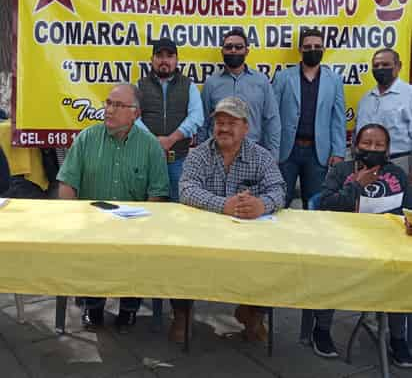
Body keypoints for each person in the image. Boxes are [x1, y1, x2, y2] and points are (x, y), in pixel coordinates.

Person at [57, 84, 169, 332]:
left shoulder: (151, 147)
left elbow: (158, 193)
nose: (109, 110)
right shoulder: (86, 138)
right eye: (108, 103)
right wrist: (72, 220)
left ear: (135, 114)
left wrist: (143, 227)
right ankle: (93, 306)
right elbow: (67, 183)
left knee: (136, 252)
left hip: (134, 226)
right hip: (91, 225)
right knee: (90, 252)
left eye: (118, 105)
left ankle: (129, 308)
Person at [176, 96, 286, 344]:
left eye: (231, 123)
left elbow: (278, 190)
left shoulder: (261, 156)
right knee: (178, 258)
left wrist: (262, 205)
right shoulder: (199, 155)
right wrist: (222, 204)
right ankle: (182, 314)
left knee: (273, 261)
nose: (223, 128)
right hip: (203, 236)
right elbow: (186, 189)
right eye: (219, 122)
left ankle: (253, 312)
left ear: (246, 127)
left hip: (249, 237)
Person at [317, 123, 412, 367]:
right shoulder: (341, 171)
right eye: (367, 143)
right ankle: (322, 329)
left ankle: (398, 338)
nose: (372, 148)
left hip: (387, 246)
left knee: (402, 276)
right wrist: (356, 184)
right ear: (355, 145)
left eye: (379, 145)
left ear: (388, 150)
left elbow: (408, 209)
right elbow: (325, 203)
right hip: (344, 242)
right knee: (332, 271)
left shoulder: (397, 175)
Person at [272, 27, 346, 208]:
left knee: (314, 203)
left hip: (318, 152)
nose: (312, 49)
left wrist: (338, 152)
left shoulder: (334, 80)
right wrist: (271, 149)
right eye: (308, 46)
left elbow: (338, 118)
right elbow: (272, 116)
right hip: (286, 151)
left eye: (317, 46)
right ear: (300, 50)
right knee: (279, 200)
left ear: (323, 49)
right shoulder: (283, 77)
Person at [198, 28, 281, 160]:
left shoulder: (262, 81)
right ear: (222, 51)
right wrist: (201, 153)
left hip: (252, 153)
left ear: (246, 51)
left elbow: (272, 120)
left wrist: (273, 155)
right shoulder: (211, 83)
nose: (233, 50)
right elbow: (203, 122)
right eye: (229, 47)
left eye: (238, 47)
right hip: (217, 154)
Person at [137, 38, 204, 202]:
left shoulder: (188, 85)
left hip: (179, 160)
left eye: (169, 56)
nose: (164, 60)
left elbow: (196, 116)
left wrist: (171, 139)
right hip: (147, 159)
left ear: (176, 60)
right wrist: (153, 141)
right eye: (159, 56)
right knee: (148, 206)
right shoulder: (139, 85)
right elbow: (134, 117)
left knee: (179, 206)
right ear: (152, 60)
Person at [356, 48, 412, 176]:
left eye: (385, 65)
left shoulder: (409, 95)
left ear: (398, 67)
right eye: (376, 65)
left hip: (399, 162)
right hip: (365, 165)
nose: (380, 68)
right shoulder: (365, 99)